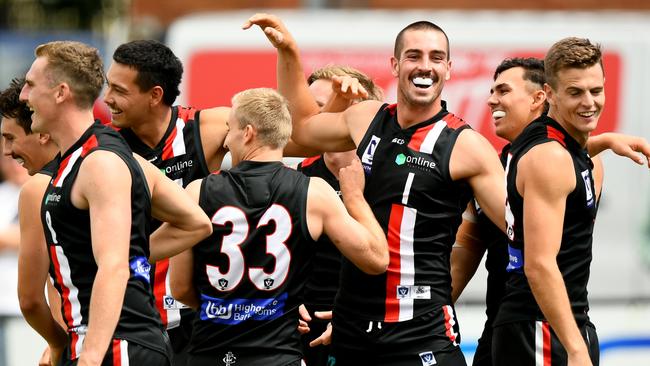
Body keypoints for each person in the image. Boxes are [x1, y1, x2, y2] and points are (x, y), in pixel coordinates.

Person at [245, 14, 509, 366]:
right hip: (350, 327)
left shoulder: (466, 145)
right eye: (414, 56)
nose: (424, 66)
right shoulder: (367, 117)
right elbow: (304, 130)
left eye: (435, 58)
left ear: (448, 68)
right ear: (395, 64)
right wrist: (289, 53)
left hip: (420, 329)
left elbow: (517, 226)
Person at [18, 40, 211, 366]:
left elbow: (116, 265)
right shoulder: (88, 156)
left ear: (61, 92)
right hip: (103, 343)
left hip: (117, 345)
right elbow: (194, 221)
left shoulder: (101, 161)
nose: (24, 96)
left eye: (30, 85)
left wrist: (91, 357)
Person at [169, 87, 389, 366]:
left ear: (248, 133)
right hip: (277, 356)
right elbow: (376, 259)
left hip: (210, 355)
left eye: (230, 129)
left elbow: (179, 287)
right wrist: (355, 197)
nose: (226, 141)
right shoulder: (313, 193)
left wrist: (233, 309)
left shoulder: (197, 192)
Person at [103, 39, 231, 364]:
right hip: (137, 321)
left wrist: (286, 51)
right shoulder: (103, 150)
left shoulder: (205, 129)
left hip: (202, 319)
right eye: (108, 87)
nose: (107, 100)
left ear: (155, 95)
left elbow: (292, 133)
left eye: (119, 90)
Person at [490, 37, 606, 366]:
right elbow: (539, 265)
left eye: (595, 91)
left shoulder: (567, 149)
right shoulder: (550, 158)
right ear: (549, 95)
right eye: (575, 92)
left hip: (561, 323)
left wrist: (610, 141)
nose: (589, 102)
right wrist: (575, 348)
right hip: (540, 328)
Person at [297, 65, 384, 365]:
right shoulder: (299, 177)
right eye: (315, 111)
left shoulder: (386, 178)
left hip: (367, 323)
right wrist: (284, 305)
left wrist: (353, 316)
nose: (319, 121)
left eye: (332, 108)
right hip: (302, 328)